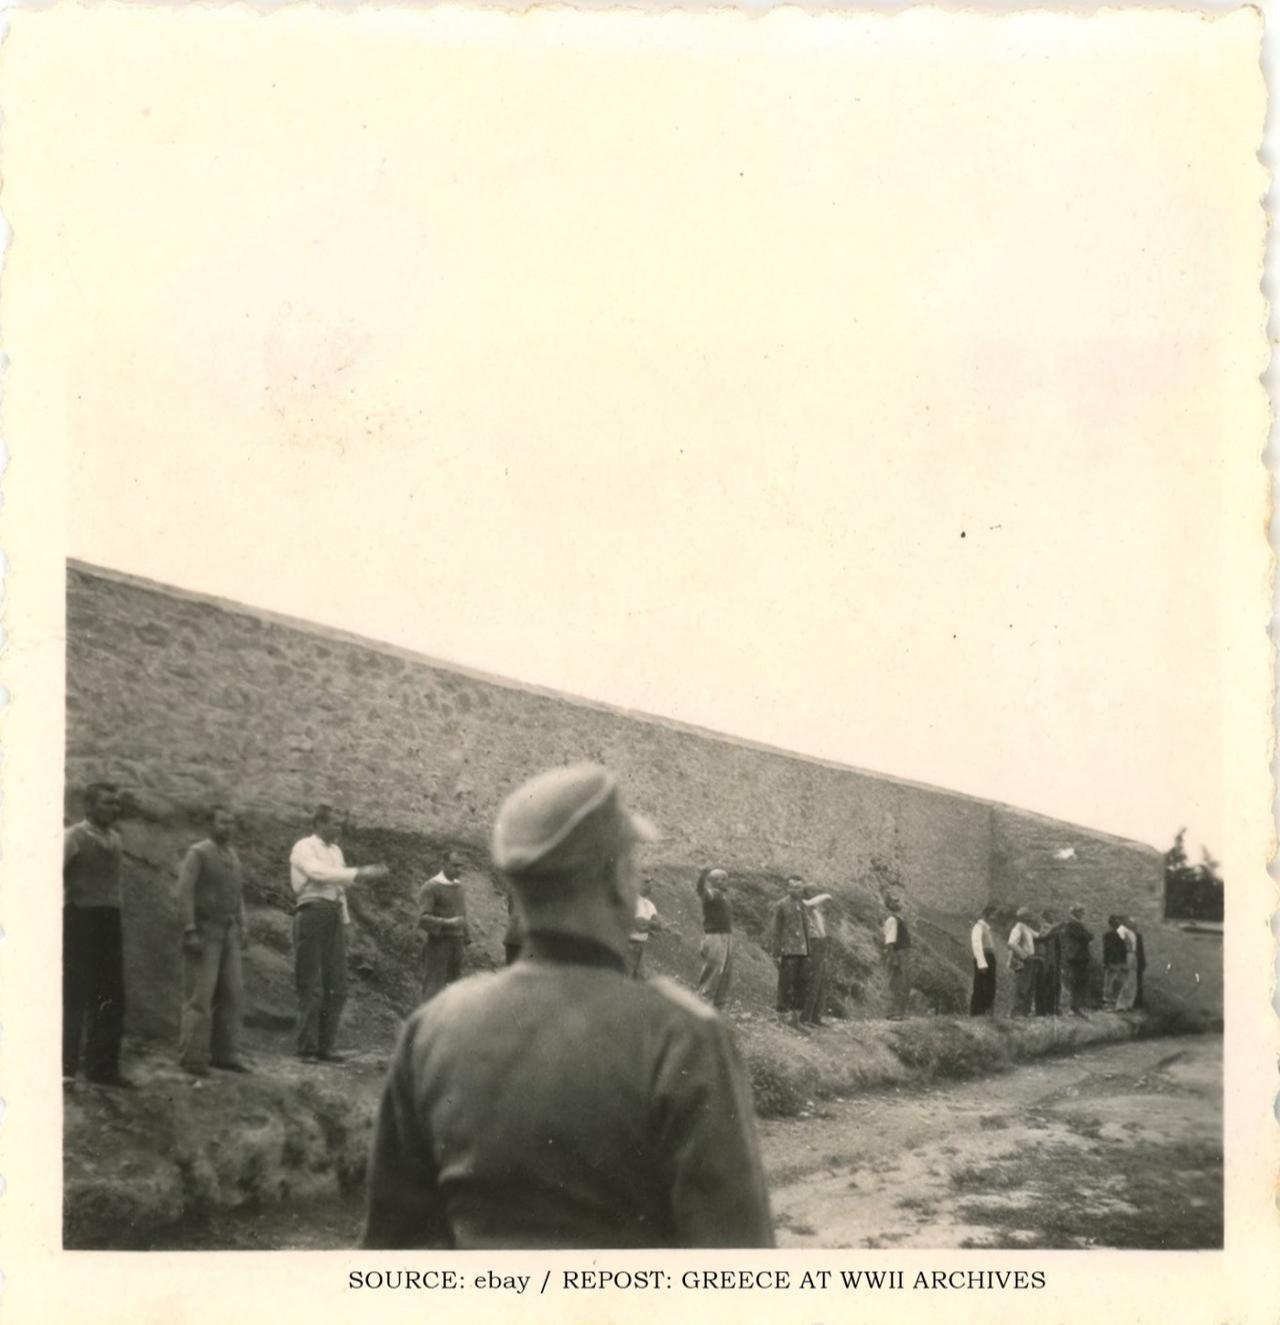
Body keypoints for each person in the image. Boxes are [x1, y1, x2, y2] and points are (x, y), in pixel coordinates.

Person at [361, 762, 773, 1249]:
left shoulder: (433, 1027)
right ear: (617, 878)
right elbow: (739, 1271)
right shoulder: (681, 1036)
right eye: (632, 864)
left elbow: (392, 1255)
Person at [289, 805, 389, 1063]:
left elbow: (340, 888)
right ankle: (307, 1048)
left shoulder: (336, 851)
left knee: (338, 985)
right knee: (312, 984)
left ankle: (325, 1046)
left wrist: (344, 920)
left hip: (333, 915)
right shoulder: (304, 847)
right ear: (319, 823)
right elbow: (317, 875)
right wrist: (359, 872)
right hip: (311, 912)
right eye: (334, 823)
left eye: (340, 824)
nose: (338, 829)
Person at [63, 781, 132, 1088]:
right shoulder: (73, 837)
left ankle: (102, 1068)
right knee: (75, 992)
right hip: (80, 918)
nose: (113, 809)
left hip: (109, 919)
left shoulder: (115, 838)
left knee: (110, 994)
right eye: (107, 803)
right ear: (89, 805)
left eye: (116, 804)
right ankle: (65, 1067)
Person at [177, 804, 249, 1076]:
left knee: (232, 993)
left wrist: (244, 923)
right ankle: (192, 1057)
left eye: (231, 822)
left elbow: (237, 892)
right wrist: (189, 928)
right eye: (222, 822)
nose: (227, 827)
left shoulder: (232, 854)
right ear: (211, 824)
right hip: (205, 932)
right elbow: (184, 892)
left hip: (228, 932)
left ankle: (225, 1054)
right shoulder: (198, 853)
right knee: (200, 995)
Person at [418, 851, 469, 1001]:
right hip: (438, 944)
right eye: (455, 865)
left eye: (461, 866)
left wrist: (466, 937)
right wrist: (448, 923)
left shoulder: (459, 888)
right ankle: (426, 1022)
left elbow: (462, 914)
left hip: (457, 945)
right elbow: (423, 919)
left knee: (455, 989)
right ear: (444, 864)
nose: (458, 870)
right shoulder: (431, 887)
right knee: (433, 988)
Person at [770, 876, 811, 1028]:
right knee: (785, 985)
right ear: (788, 888)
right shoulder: (781, 905)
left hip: (802, 951)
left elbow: (805, 928)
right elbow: (776, 931)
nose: (796, 890)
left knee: (801, 985)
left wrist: (808, 949)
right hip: (788, 951)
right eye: (793, 887)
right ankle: (781, 1019)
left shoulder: (802, 905)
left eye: (799, 887)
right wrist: (776, 953)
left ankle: (795, 1020)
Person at [695, 867, 734, 1007]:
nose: (725, 882)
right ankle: (702, 998)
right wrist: (702, 876)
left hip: (726, 935)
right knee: (714, 965)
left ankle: (718, 1001)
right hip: (714, 935)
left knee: (726, 969)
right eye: (721, 879)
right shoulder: (711, 893)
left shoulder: (724, 896)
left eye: (726, 879)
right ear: (712, 881)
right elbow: (701, 891)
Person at [628, 875, 676, 978]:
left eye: (651, 882)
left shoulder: (650, 905)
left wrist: (649, 924)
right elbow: (638, 924)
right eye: (646, 882)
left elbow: (657, 925)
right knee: (625, 976)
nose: (650, 885)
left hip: (641, 946)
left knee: (640, 977)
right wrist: (650, 924)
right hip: (628, 944)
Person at [801, 887, 835, 1026]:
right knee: (813, 983)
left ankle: (816, 1017)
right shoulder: (805, 909)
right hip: (812, 946)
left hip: (821, 945)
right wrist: (826, 895)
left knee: (821, 983)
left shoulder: (817, 914)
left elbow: (822, 932)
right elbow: (807, 903)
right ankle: (806, 1017)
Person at [1059, 904, 1094, 1016]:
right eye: (1080, 912)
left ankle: (1075, 1007)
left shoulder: (1074, 924)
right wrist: (1088, 935)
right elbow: (1087, 936)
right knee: (1077, 981)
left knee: (1078, 981)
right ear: (1075, 913)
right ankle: (1074, 1008)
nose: (1082, 914)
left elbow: (1087, 936)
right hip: (1077, 957)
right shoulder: (1074, 924)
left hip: (1077, 956)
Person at [882, 895, 912, 1019]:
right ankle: (894, 1013)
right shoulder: (892, 920)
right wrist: (893, 958)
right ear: (890, 905)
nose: (898, 903)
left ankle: (899, 1013)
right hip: (899, 953)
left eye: (897, 901)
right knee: (898, 982)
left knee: (903, 982)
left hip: (903, 953)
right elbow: (889, 941)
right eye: (894, 902)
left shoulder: (898, 919)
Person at [1007, 907, 1038, 1017]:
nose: (1030, 920)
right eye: (1028, 918)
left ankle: (1024, 1011)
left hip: (1029, 960)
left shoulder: (1026, 928)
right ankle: (1016, 1012)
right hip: (1023, 961)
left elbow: (1039, 936)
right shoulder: (1018, 928)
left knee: (1027, 986)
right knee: (1021, 986)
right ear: (1024, 918)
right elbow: (1011, 944)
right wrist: (1024, 956)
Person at [969, 903, 998, 1016]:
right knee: (980, 986)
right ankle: (976, 1013)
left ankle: (986, 1012)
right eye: (993, 915)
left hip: (989, 957)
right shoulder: (978, 927)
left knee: (990, 986)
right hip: (983, 958)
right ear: (988, 915)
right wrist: (981, 963)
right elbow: (976, 945)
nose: (994, 918)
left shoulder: (986, 928)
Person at [1033, 908, 1063, 1016]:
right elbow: (1041, 938)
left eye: (1053, 916)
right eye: (1050, 916)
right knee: (1043, 984)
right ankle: (1041, 1010)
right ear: (1045, 917)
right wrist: (1052, 931)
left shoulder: (1054, 929)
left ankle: (1052, 1008)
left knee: (1053, 984)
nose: (1052, 918)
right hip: (1044, 959)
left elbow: (1058, 946)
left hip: (1053, 960)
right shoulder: (1043, 927)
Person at [1101, 914, 1128, 1010]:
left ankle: (1109, 1004)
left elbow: (1107, 951)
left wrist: (1105, 962)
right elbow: (1124, 950)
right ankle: (1112, 1003)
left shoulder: (1108, 935)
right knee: (1114, 983)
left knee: (1110, 983)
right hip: (1117, 962)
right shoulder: (1120, 936)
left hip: (1113, 962)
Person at [1115, 914, 1139, 1011]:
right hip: (1126, 955)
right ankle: (1120, 1005)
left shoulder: (1133, 934)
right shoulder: (1122, 930)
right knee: (1125, 981)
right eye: (1131, 923)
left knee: (1132, 982)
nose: (1134, 925)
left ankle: (1129, 1004)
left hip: (1132, 955)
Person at [1130, 917, 1147, 1009]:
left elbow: (1141, 950)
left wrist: (1142, 962)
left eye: (1134, 926)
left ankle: (1138, 1003)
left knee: (1138, 983)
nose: (1133, 927)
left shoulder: (1138, 936)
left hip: (1138, 962)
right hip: (1129, 962)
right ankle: (1129, 1002)